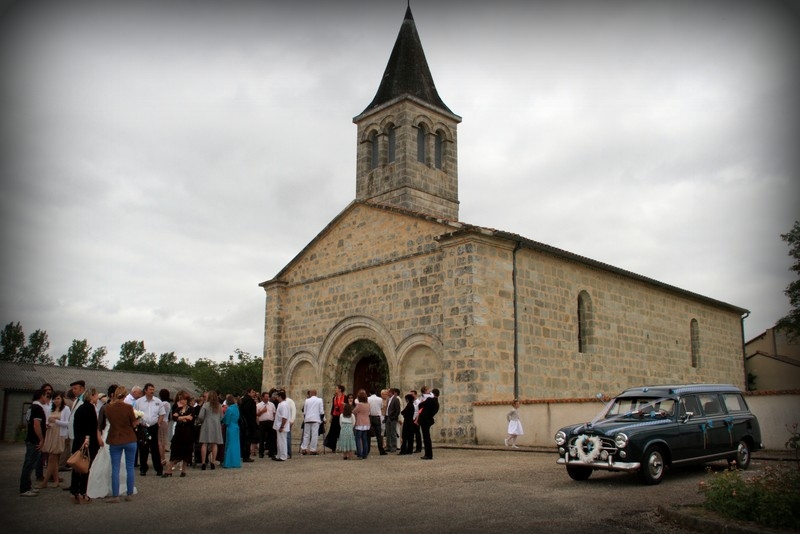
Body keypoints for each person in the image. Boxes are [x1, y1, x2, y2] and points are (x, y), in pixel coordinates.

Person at [69, 386, 104, 503]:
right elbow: (91, 427)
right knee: (84, 468)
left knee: (76, 468)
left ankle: (74, 492)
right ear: (92, 396)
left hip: (78, 440)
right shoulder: (90, 409)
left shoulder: (80, 408)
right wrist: (90, 440)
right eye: (96, 396)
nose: (97, 399)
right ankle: (82, 493)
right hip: (87, 442)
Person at [104, 386, 138, 502]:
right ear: (125, 395)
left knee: (115, 468)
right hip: (129, 438)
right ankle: (129, 494)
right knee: (130, 467)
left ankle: (115, 495)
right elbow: (134, 424)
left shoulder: (108, 408)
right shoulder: (128, 407)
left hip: (115, 438)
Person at [20, 389, 48, 497]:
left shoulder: (32, 407)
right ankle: (24, 488)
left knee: (29, 463)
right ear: (41, 396)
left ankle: (27, 486)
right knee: (29, 464)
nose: (47, 398)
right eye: (46, 396)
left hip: (31, 438)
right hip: (34, 440)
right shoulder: (38, 408)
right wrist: (41, 439)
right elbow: (36, 424)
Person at [134, 383, 164, 476]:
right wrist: (138, 423)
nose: (152, 391)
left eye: (153, 389)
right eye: (150, 389)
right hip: (143, 427)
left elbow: (162, 414)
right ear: (145, 390)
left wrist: (158, 423)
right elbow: (134, 413)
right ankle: (143, 468)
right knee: (143, 448)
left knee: (154, 448)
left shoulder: (158, 401)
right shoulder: (139, 401)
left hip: (153, 426)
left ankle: (158, 468)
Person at [38, 390, 66, 489]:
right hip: (50, 433)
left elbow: (68, 423)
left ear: (62, 399)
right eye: (54, 399)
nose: (56, 401)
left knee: (51, 458)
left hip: (59, 434)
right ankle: (56, 480)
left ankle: (45, 481)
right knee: (53, 459)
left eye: (58, 398)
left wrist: (56, 421)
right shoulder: (51, 409)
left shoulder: (65, 409)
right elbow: (47, 420)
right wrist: (48, 424)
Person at [163, 391, 194, 477]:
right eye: (181, 399)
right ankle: (169, 470)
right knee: (175, 451)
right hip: (178, 431)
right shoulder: (177, 408)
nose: (182, 401)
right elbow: (174, 417)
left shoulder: (191, 409)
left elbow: (190, 419)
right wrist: (184, 417)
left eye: (184, 399)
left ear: (187, 400)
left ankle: (183, 470)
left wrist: (182, 418)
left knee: (186, 452)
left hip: (187, 432)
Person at [197, 390, 224, 470]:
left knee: (204, 444)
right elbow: (221, 417)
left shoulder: (205, 405)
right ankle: (213, 462)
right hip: (216, 425)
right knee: (214, 444)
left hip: (206, 425)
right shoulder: (219, 405)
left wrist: (199, 422)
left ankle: (203, 463)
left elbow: (201, 416)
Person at [417, 388, 440, 460]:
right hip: (429, 420)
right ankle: (428, 454)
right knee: (427, 437)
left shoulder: (430, 400)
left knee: (426, 438)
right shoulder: (437, 403)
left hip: (424, 420)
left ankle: (428, 454)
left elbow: (420, 405)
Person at [300, 389, 324, 455]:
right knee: (314, 434)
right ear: (316, 393)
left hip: (307, 419)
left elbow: (304, 411)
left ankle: (304, 448)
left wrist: (305, 418)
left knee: (306, 434)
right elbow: (321, 411)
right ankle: (313, 449)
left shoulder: (307, 400)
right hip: (316, 419)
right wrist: (322, 419)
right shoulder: (319, 400)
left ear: (310, 393)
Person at [324, 385, 346, 452]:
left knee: (341, 431)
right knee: (333, 431)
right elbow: (333, 408)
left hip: (342, 416)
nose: (335, 389)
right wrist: (331, 417)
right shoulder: (334, 398)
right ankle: (333, 447)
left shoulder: (345, 397)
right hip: (335, 416)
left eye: (336, 388)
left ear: (340, 389)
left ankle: (343, 447)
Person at [221, 394, 241, 468]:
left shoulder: (229, 409)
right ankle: (236, 462)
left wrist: (222, 420)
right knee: (236, 445)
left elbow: (226, 420)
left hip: (230, 427)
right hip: (236, 426)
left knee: (229, 444)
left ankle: (228, 462)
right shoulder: (236, 408)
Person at [272, 390, 290, 461]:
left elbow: (284, 417)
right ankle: (279, 455)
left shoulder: (284, 405)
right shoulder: (280, 404)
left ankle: (283, 456)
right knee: (279, 442)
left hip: (282, 426)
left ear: (280, 397)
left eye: (278, 397)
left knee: (282, 441)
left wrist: (282, 426)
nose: (277, 398)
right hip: (278, 425)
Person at [352, 390, 371, 459]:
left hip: (360, 422)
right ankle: (365, 454)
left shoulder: (359, 405)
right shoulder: (368, 404)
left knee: (357, 438)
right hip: (366, 422)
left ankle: (359, 453)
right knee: (364, 439)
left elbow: (353, 412)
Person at [256, 391, 275, 459]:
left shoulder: (272, 404)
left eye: (268, 397)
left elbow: (274, 413)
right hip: (262, 422)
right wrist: (262, 411)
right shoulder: (258, 405)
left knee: (271, 438)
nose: (267, 398)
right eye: (266, 397)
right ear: (262, 397)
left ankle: (271, 452)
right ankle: (261, 453)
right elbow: (257, 414)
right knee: (262, 438)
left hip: (270, 422)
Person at [367, 389, 386, 455]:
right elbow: (381, 407)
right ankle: (381, 450)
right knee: (379, 435)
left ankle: (367, 450)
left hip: (370, 417)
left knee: (368, 434)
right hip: (377, 417)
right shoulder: (380, 399)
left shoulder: (368, 399)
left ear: (369, 393)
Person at [158, 388, 172, 467]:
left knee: (160, 441)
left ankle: (162, 458)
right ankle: (162, 457)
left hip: (162, 421)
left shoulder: (163, 403)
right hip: (166, 422)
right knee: (163, 441)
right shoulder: (168, 403)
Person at [385, 388, 401, 453]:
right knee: (388, 433)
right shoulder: (389, 400)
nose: (387, 394)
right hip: (388, 417)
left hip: (392, 418)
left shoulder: (396, 399)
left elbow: (397, 410)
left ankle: (393, 446)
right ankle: (388, 446)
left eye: (388, 392)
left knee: (393, 433)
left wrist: (394, 417)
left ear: (391, 393)